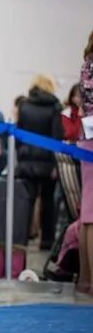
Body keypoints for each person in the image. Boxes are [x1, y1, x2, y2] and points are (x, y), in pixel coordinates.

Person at [15, 74, 63, 251]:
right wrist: (56, 164)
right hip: (48, 161)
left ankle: (22, 237)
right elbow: (56, 135)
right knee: (48, 202)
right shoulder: (55, 107)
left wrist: (21, 155)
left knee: (26, 201)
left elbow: (19, 133)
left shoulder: (24, 105)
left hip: (27, 159)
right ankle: (47, 241)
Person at [76, 30, 93, 294]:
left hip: (85, 138)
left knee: (86, 215)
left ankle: (84, 279)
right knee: (91, 216)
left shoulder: (86, 65)